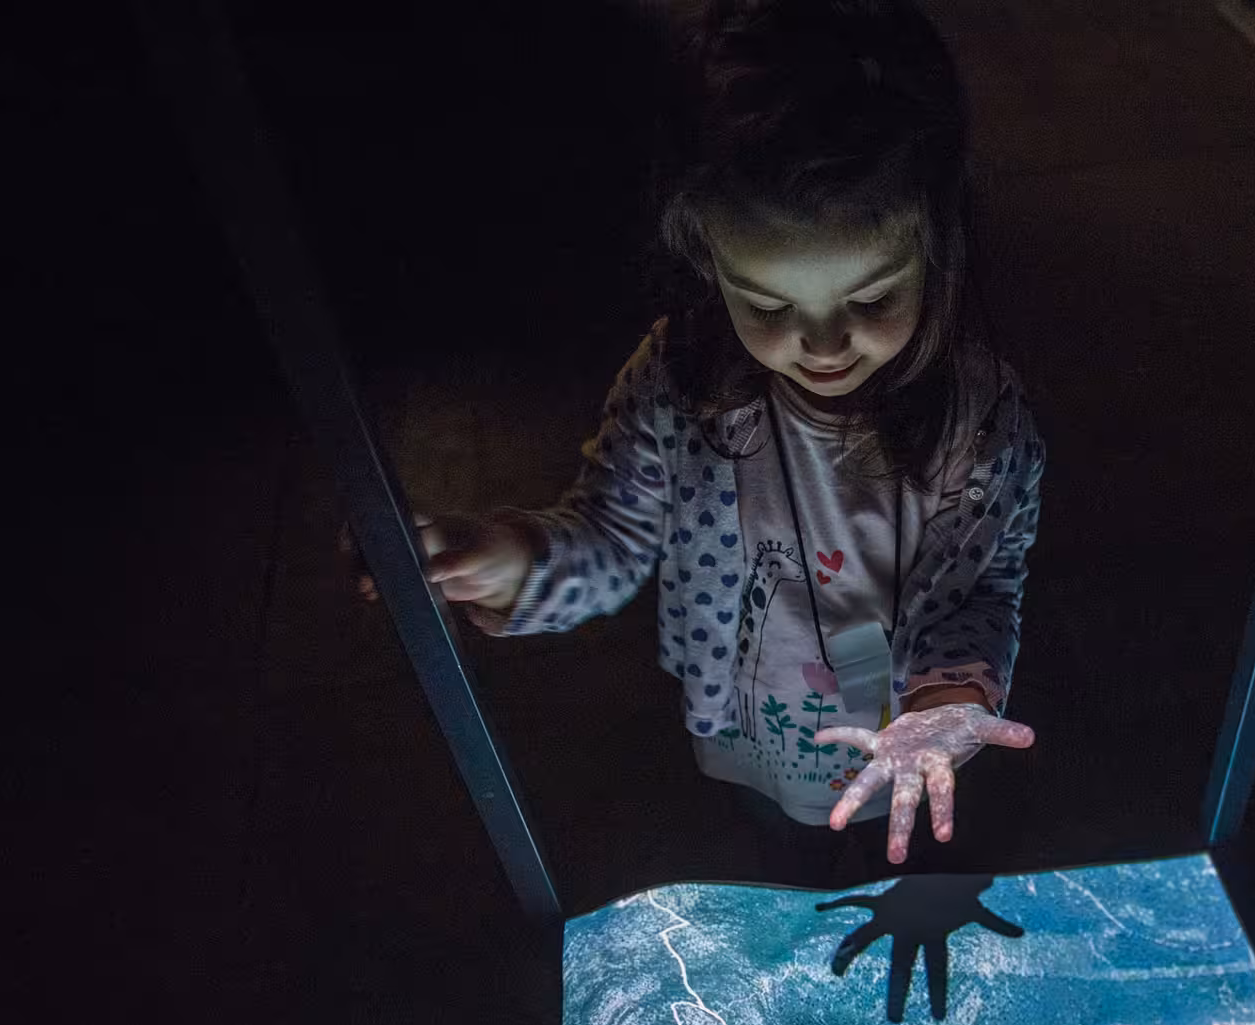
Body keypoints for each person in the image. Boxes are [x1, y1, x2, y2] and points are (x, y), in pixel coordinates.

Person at [355, 0, 1043, 884]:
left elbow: (986, 582)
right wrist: (521, 556)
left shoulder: (979, 416)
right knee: (791, 872)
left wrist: (950, 698)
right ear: (704, 257)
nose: (825, 346)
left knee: (925, 879)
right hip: (754, 744)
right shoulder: (677, 388)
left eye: (871, 301)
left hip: (924, 751)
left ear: (937, 250)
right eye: (768, 307)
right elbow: (608, 538)